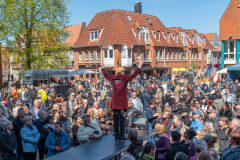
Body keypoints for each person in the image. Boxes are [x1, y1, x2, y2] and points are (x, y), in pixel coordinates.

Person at [101, 60, 144, 140]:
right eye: (124, 71)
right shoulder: (125, 78)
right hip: (122, 104)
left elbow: (106, 75)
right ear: (122, 72)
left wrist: (103, 67)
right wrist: (139, 66)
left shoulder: (113, 78)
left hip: (115, 104)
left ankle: (116, 135)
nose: (125, 72)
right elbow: (134, 75)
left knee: (116, 120)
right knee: (122, 120)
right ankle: (121, 136)